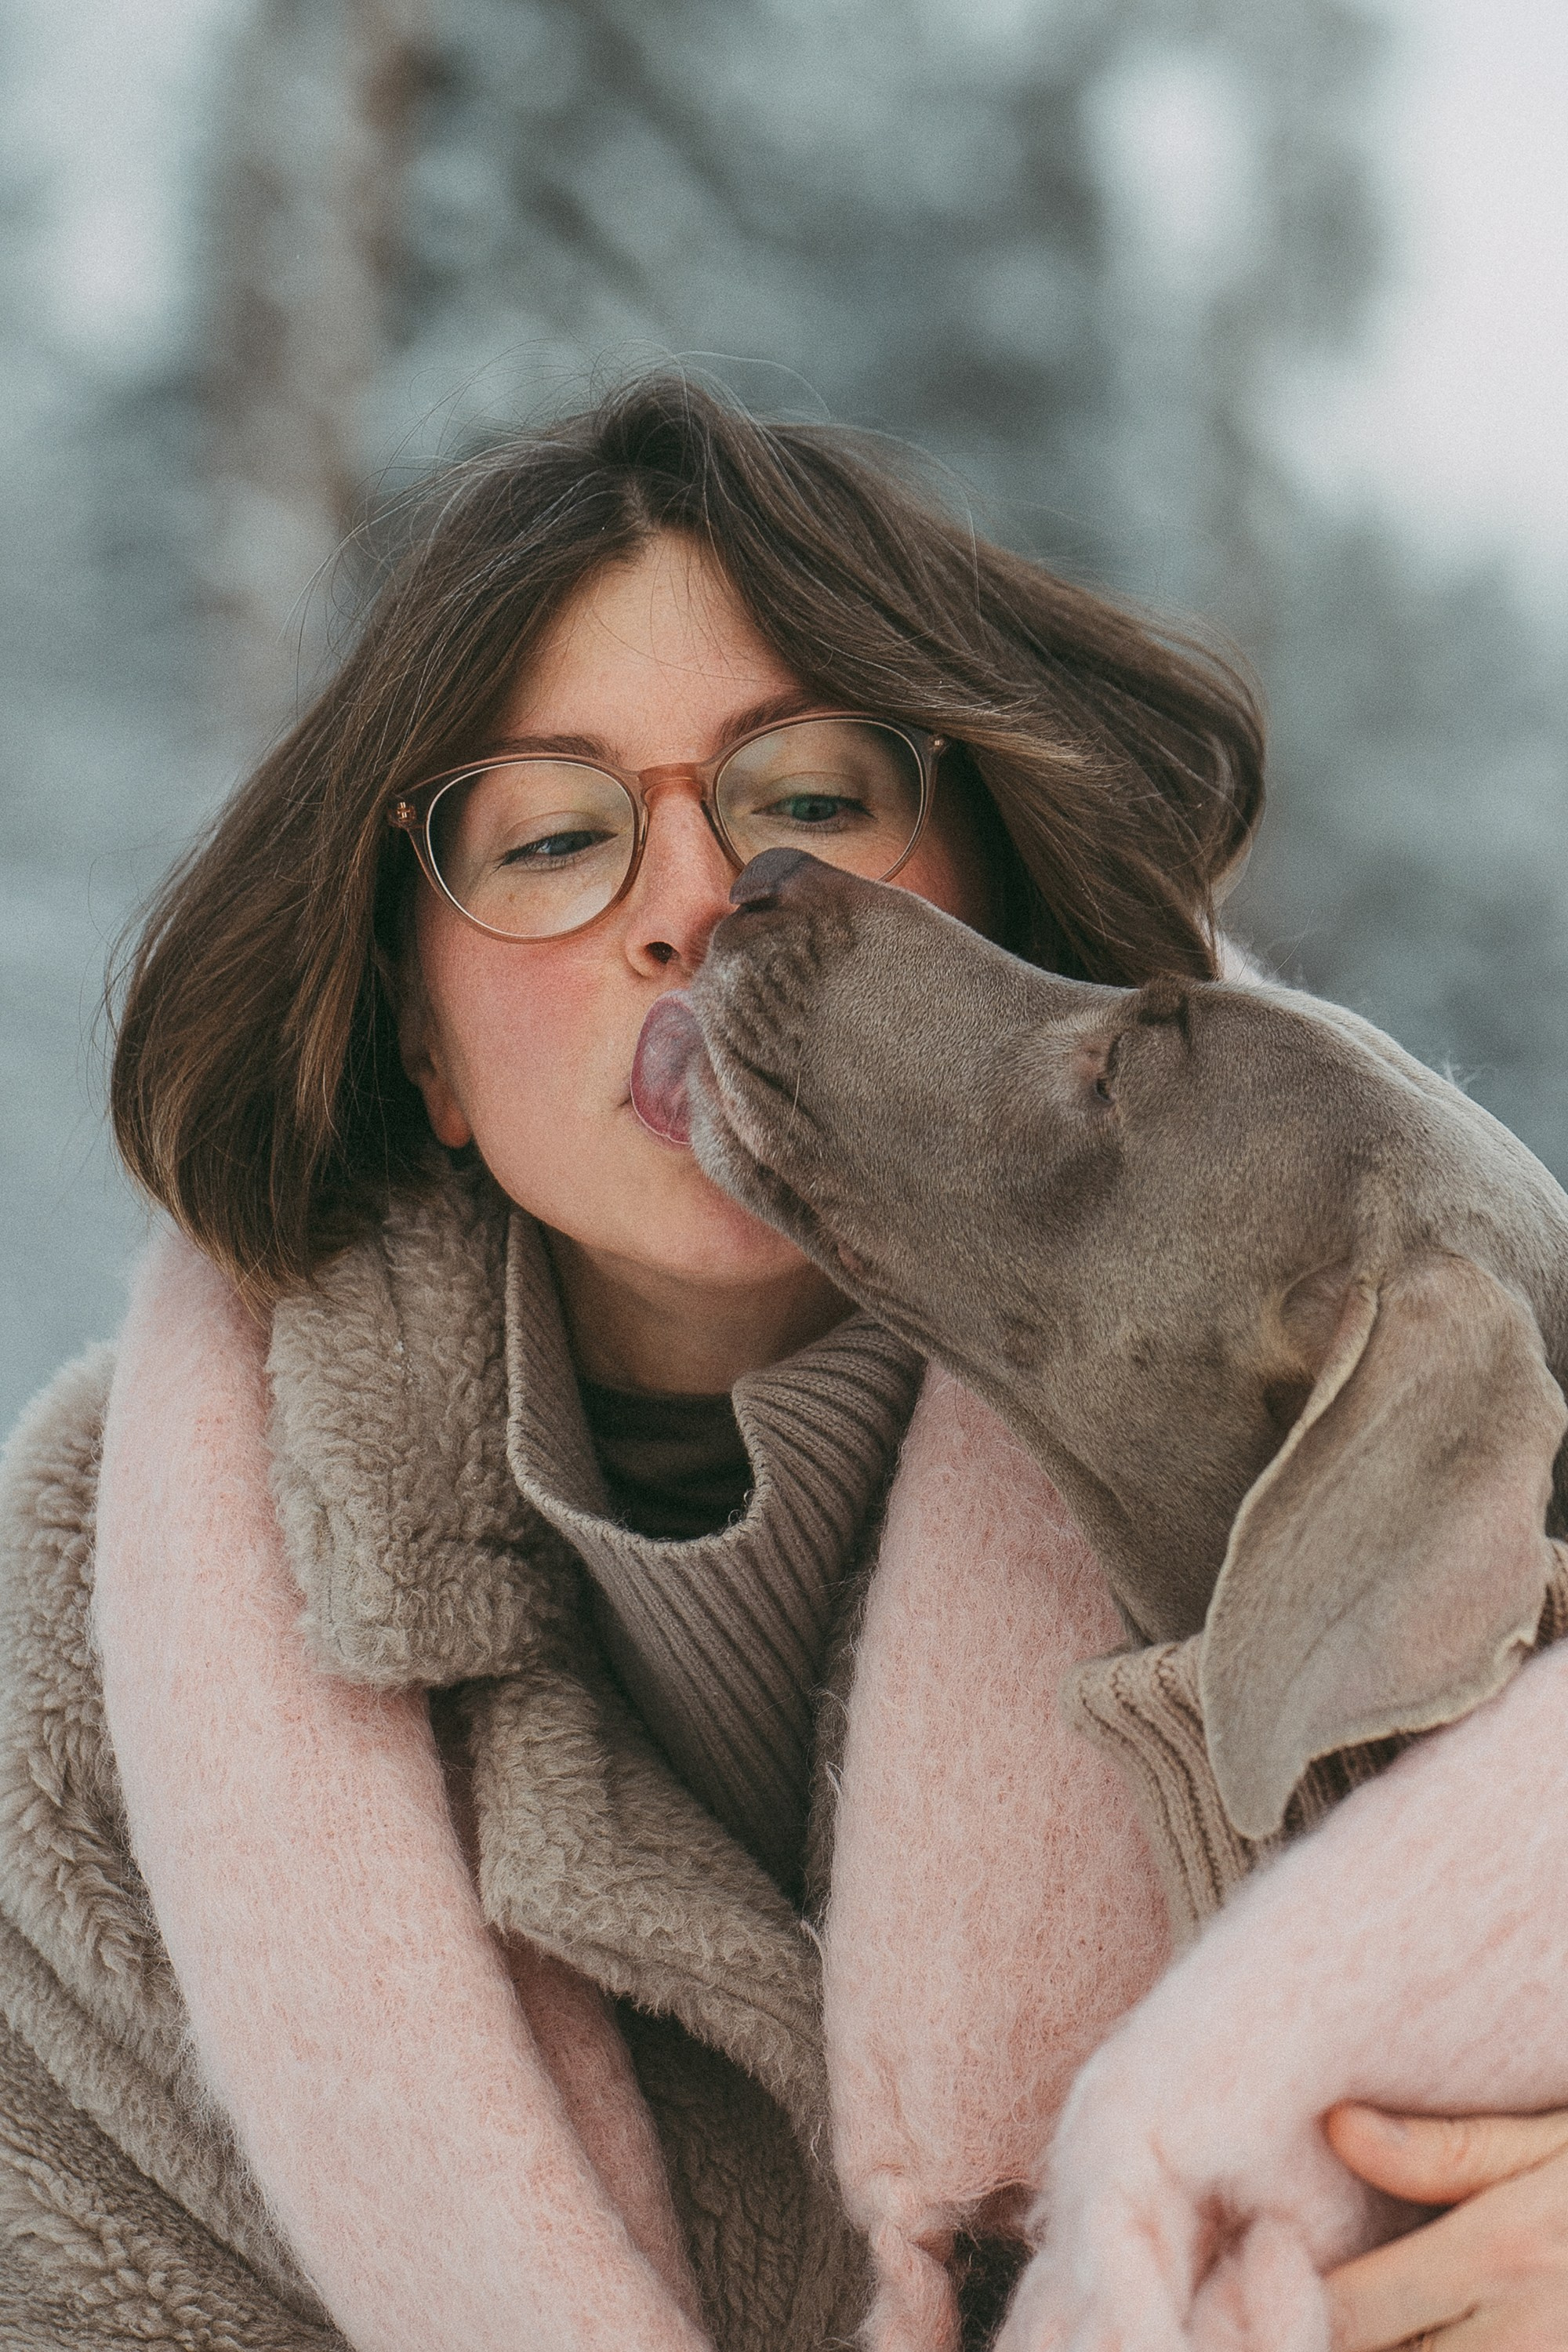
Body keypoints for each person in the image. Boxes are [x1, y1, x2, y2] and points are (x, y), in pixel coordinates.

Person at [1, 375, 1565, 2351]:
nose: (697, 906)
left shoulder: (1410, 1370)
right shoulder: (80, 1655)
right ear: (421, 1049)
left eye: (809, 803)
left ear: (982, 900)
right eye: (558, 835)